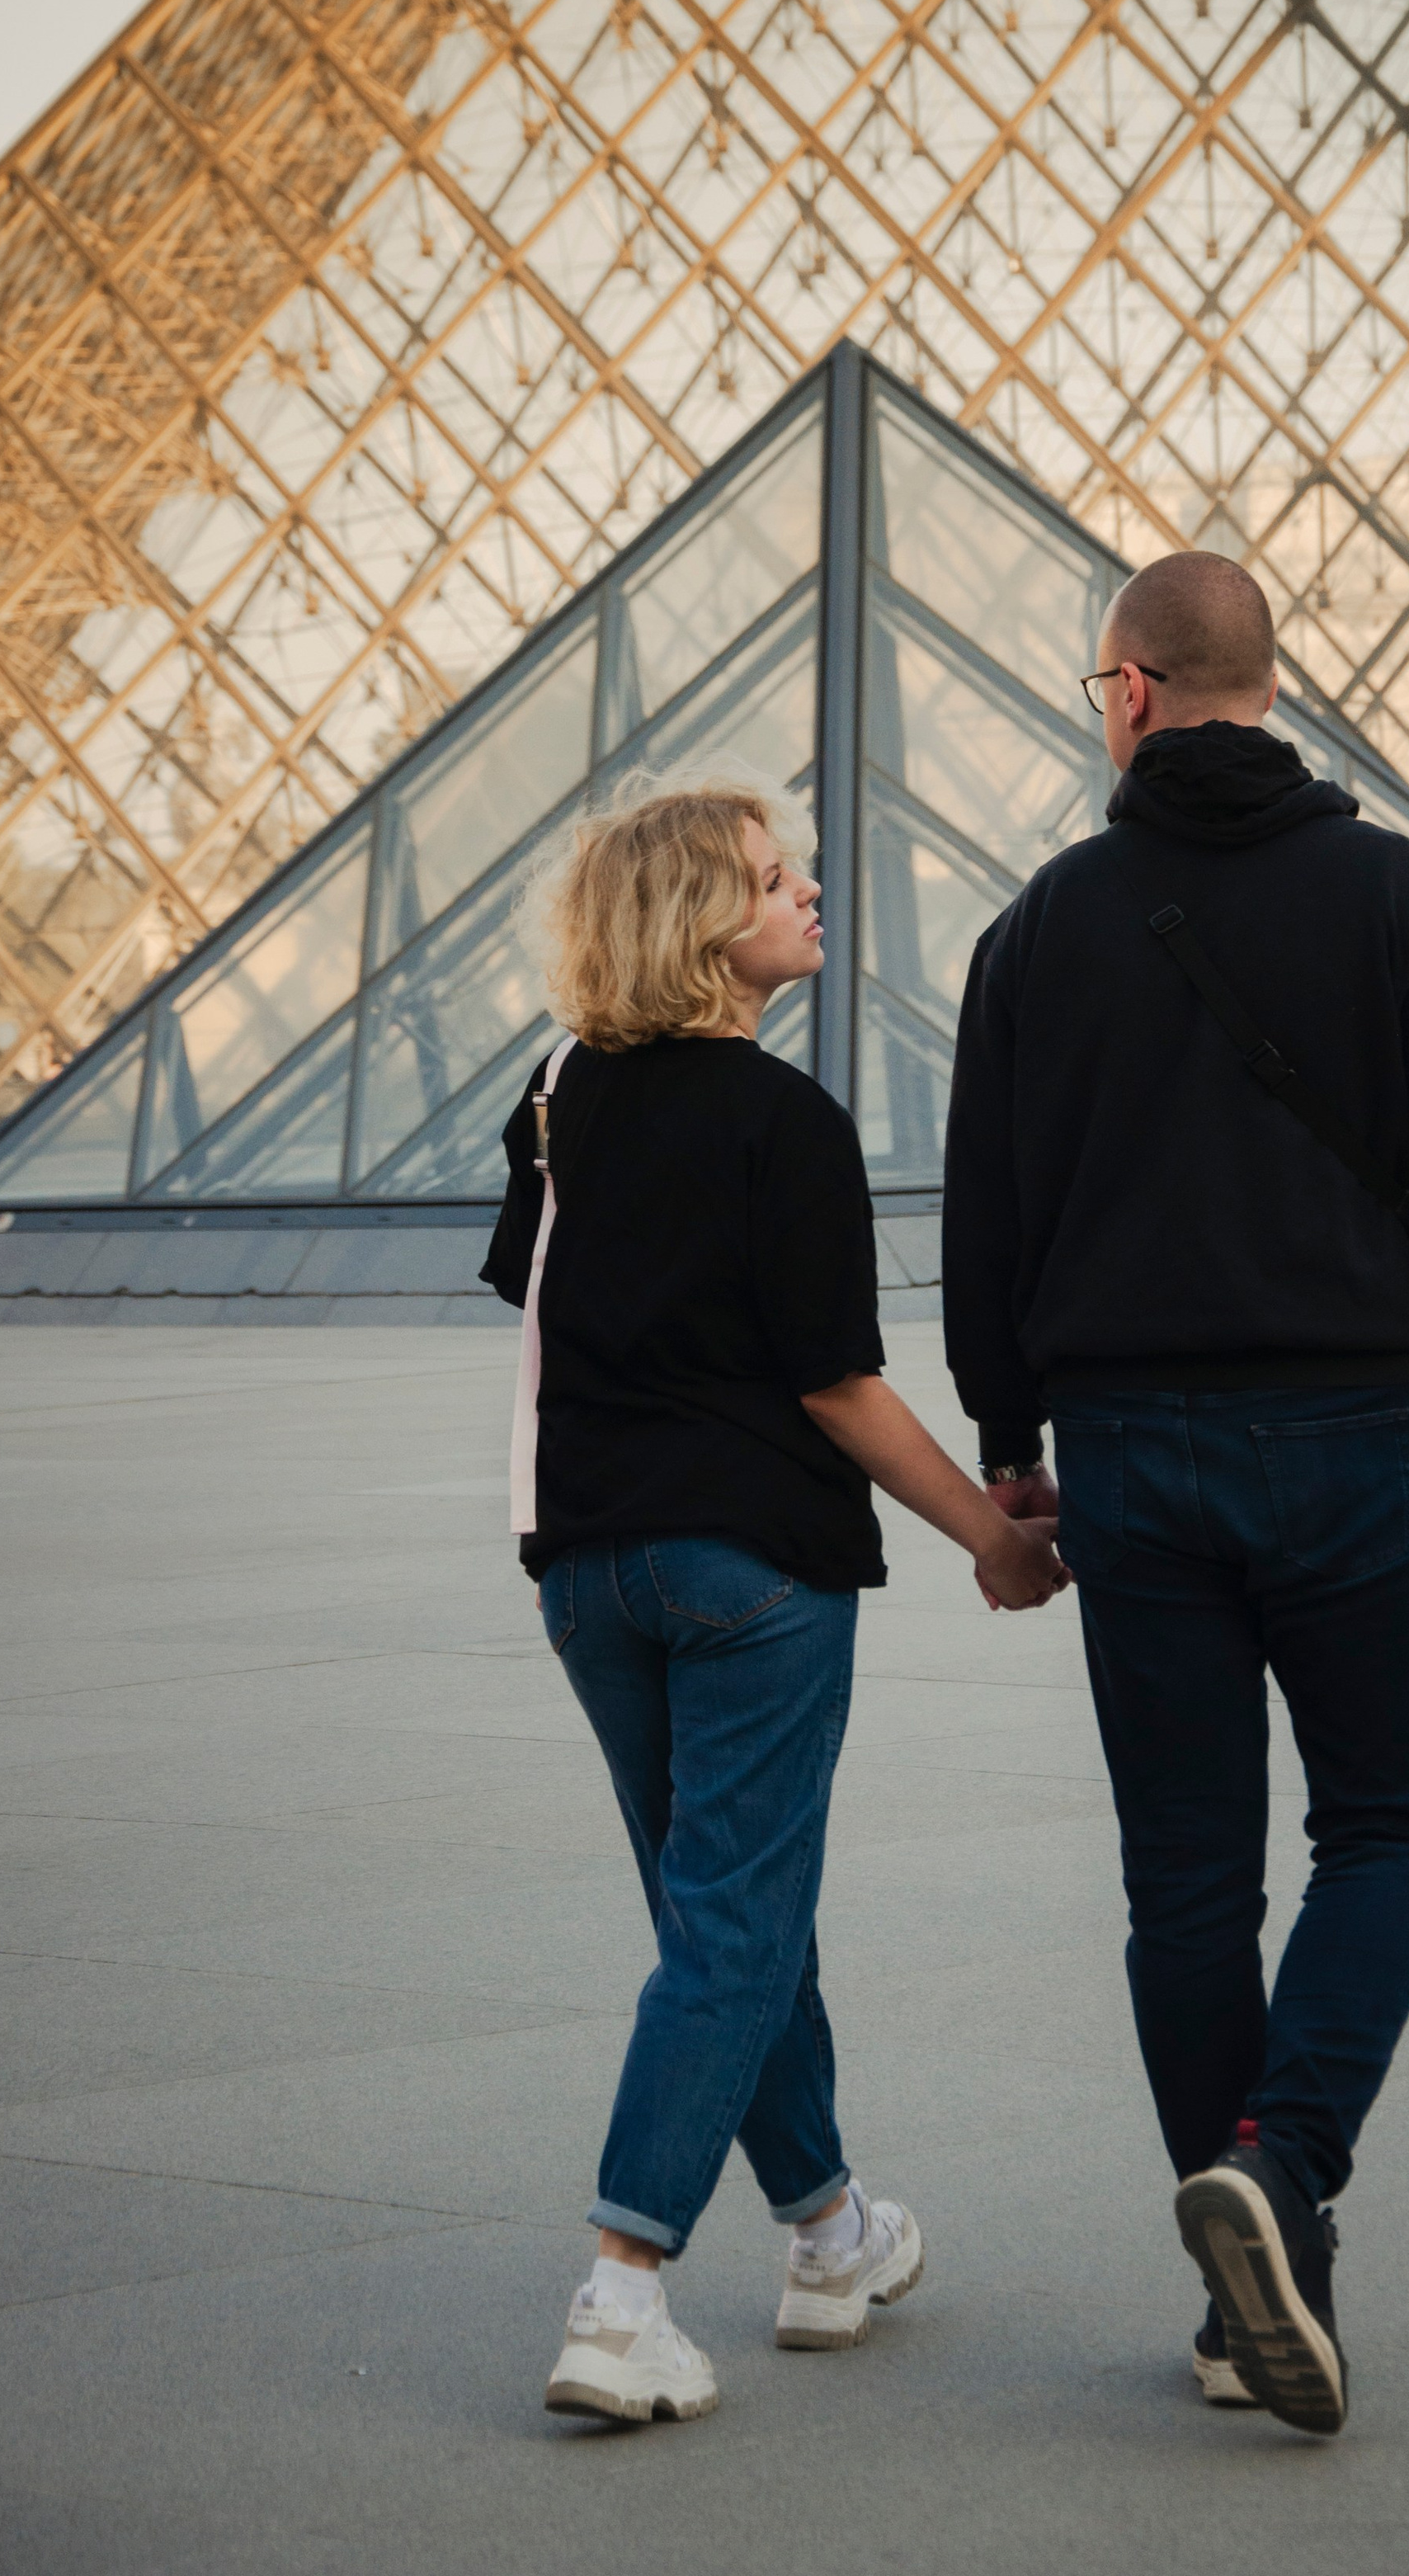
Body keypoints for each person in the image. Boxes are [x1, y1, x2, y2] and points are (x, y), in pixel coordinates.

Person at [941, 553, 1409, 2436]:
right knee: (1386, 1831)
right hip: (1353, 1427)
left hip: (1133, 1450)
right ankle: (1282, 2178)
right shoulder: (1396, 894)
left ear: (1130, 691)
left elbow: (988, 1219)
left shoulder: (1038, 929)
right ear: (1259, 681)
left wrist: (1007, 1441)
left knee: (1184, 1883)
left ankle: (1243, 2307)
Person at [484, 774, 1065, 2428]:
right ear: (700, 927)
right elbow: (834, 1384)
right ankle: (619, 2287)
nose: (806, 890)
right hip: (751, 1566)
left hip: (592, 1566)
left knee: (720, 1916)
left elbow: (538, 1329)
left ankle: (829, 2233)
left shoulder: (555, 1103)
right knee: (733, 1916)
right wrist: (988, 1532)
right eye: (769, 876)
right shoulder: (784, 1123)